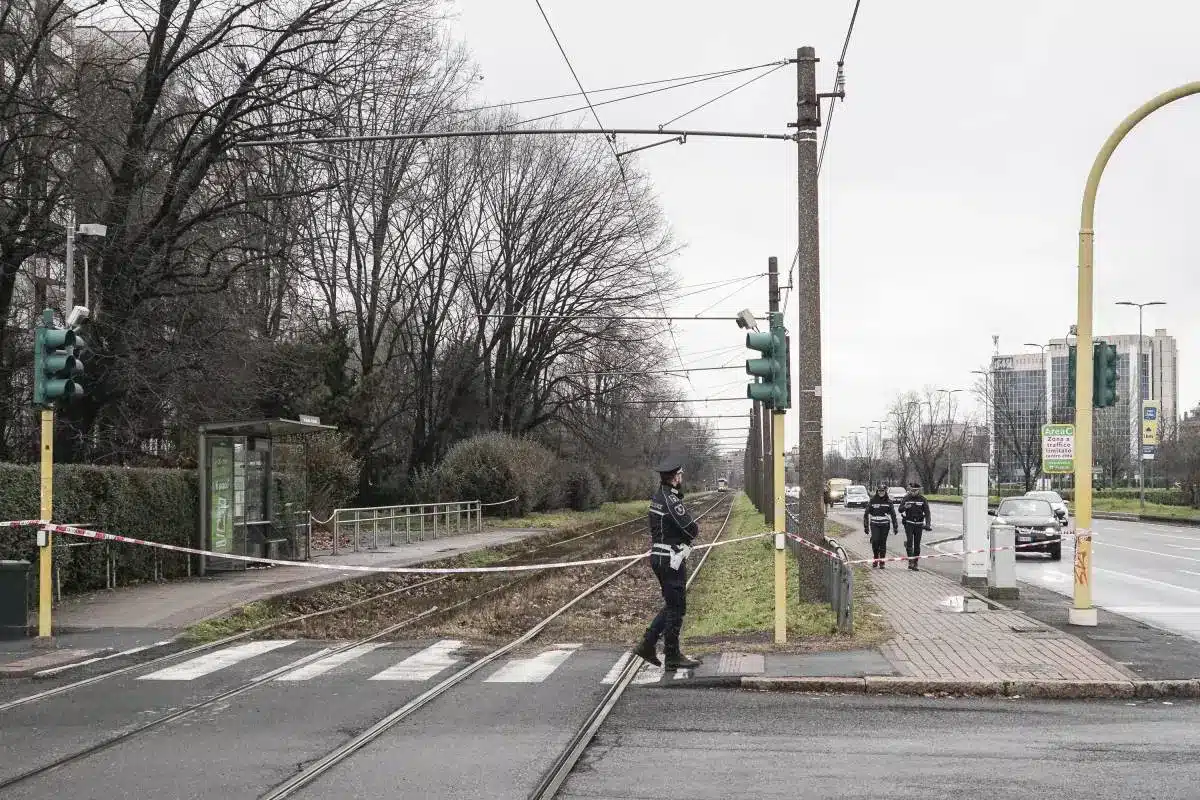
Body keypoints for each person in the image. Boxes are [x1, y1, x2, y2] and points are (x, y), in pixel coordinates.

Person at [633, 459, 703, 670]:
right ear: (675, 478)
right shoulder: (670, 501)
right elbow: (691, 528)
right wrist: (690, 533)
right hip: (669, 560)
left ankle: (649, 644)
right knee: (677, 607)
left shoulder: (658, 497)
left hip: (664, 557)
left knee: (674, 605)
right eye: (680, 475)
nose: (681, 478)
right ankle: (670, 654)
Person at [898, 482, 933, 570]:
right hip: (909, 523)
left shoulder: (922, 499)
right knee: (910, 542)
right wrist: (905, 507)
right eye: (911, 490)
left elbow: (927, 513)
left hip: (919, 525)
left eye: (915, 490)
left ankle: (916, 562)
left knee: (917, 545)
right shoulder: (906, 498)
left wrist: (928, 524)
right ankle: (911, 561)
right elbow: (900, 510)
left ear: (918, 490)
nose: (913, 492)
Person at [862, 483, 898, 569]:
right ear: (877, 491)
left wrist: (895, 526)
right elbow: (866, 513)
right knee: (875, 541)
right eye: (879, 491)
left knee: (882, 543)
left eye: (883, 491)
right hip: (874, 524)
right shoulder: (873, 500)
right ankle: (875, 557)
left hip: (885, 525)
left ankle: (882, 561)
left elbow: (893, 515)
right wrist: (866, 526)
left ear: (885, 491)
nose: (881, 492)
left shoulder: (889, 502)